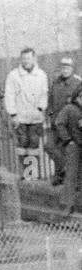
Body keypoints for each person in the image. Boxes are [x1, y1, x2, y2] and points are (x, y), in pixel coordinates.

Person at [4, 47, 49, 159]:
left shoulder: (41, 74)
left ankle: (32, 174)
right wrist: (13, 114)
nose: (26, 61)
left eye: (28, 58)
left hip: (36, 117)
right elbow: (9, 95)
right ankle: (26, 174)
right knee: (22, 144)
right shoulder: (13, 75)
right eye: (23, 58)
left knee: (34, 145)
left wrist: (39, 110)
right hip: (20, 117)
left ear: (34, 58)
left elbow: (44, 94)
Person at [48, 58, 82, 186]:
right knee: (50, 146)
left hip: (70, 125)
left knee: (69, 151)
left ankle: (68, 178)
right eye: (63, 67)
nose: (65, 70)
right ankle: (62, 172)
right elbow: (50, 102)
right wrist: (50, 116)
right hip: (56, 124)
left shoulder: (78, 83)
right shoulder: (55, 83)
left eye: (67, 67)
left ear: (72, 68)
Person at [52, 87, 82, 210]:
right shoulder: (69, 109)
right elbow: (59, 123)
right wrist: (68, 140)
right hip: (73, 146)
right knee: (71, 174)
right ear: (77, 97)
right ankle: (66, 205)